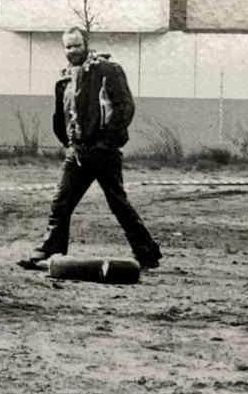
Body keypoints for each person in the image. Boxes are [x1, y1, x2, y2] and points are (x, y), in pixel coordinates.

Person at [21, 25, 162, 270]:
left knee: (118, 204)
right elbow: (60, 116)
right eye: (68, 47)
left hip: (104, 152)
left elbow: (125, 107)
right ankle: (49, 252)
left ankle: (147, 253)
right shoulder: (64, 79)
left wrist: (108, 139)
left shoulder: (108, 70)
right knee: (61, 202)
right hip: (77, 152)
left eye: (77, 45)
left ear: (86, 44)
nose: (73, 51)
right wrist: (69, 143)